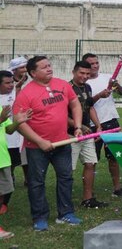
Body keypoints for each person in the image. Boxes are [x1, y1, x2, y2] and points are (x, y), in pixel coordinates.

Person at [13, 56, 83, 230]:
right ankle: (39, 217)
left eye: (49, 65)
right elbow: (19, 123)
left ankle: (66, 214)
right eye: (44, 67)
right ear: (33, 73)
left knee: (66, 178)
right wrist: (40, 141)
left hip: (62, 143)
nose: (49, 69)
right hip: (36, 147)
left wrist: (78, 126)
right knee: (36, 182)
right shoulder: (26, 94)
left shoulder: (62, 85)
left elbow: (75, 104)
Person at [82, 53, 122, 198]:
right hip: (92, 125)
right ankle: (90, 191)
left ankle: (117, 188)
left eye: (96, 63)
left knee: (114, 157)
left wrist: (117, 85)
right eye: (91, 64)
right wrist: (99, 96)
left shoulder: (106, 77)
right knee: (92, 160)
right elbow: (85, 104)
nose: (95, 66)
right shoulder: (83, 83)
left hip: (111, 122)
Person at [68, 60, 107, 209]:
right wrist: (79, 126)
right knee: (68, 169)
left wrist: (97, 126)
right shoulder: (67, 88)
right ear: (74, 72)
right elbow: (62, 116)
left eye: (87, 74)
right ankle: (66, 201)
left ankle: (88, 199)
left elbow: (89, 107)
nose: (85, 76)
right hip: (70, 136)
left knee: (91, 163)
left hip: (87, 135)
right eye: (81, 73)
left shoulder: (87, 87)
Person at [0, 70, 26, 206]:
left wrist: (19, 121)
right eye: (7, 83)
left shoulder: (7, 102)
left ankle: (3, 206)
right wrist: (1, 119)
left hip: (5, 153)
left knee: (7, 184)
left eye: (12, 82)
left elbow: (9, 130)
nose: (11, 85)